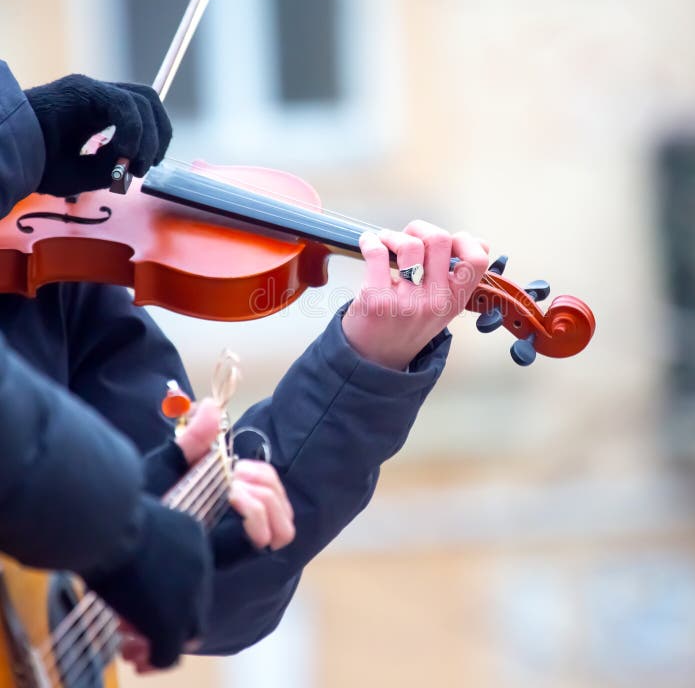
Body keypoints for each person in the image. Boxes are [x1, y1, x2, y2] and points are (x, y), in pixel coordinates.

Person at [0, 61, 489, 656]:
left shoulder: (43, 271)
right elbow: (124, 522)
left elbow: (204, 582)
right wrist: (18, 132)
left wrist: (364, 365)